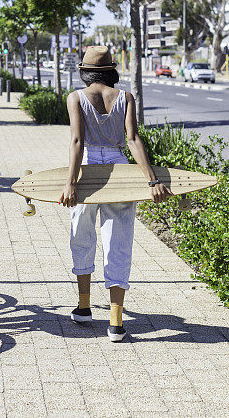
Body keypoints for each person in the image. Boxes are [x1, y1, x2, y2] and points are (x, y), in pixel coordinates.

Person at [59, 46, 172, 342]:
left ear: (84, 71)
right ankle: (116, 322)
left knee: (81, 235)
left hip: (86, 171)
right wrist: (152, 180)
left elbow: (76, 141)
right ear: (111, 70)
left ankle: (84, 307)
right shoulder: (125, 97)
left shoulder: (76, 97)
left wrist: (71, 183)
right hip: (120, 168)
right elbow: (133, 139)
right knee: (118, 241)